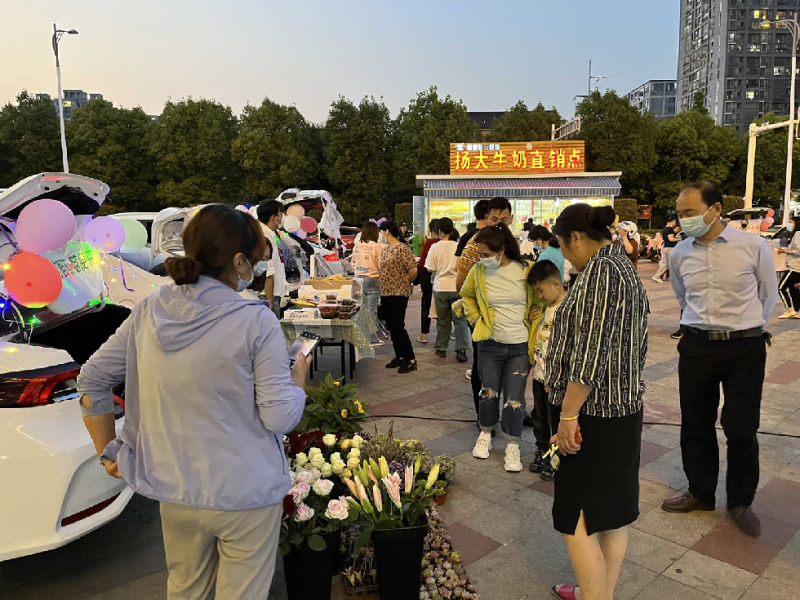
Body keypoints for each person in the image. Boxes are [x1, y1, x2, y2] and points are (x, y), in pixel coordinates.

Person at [77, 205, 309, 599]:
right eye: (253, 260)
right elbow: (280, 416)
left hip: (176, 489)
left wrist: (107, 454)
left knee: (185, 591)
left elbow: (91, 379)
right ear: (238, 261)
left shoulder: (149, 311)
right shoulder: (256, 320)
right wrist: (298, 381)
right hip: (245, 492)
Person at [662, 182, 778, 538]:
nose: (683, 220)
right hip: (697, 346)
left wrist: (749, 329)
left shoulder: (753, 246)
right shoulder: (680, 252)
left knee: (741, 427)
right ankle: (701, 492)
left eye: (690, 212)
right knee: (695, 423)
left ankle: (740, 502)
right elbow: (682, 295)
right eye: (680, 214)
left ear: (714, 210)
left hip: (744, 347)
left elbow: (767, 295)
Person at [544, 204, 648, 600]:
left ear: (575, 238)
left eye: (562, 245)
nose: (563, 254)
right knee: (611, 516)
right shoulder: (617, 263)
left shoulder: (603, 272)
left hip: (595, 414)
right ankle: (597, 592)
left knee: (577, 516)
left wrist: (568, 416)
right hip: (619, 408)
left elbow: (589, 356)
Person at [461, 223, 541, 472]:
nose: (482, 259)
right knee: (488, 394)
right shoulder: (479, 271)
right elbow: (466, 295)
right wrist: (476, 320)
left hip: (519, 346)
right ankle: (485, 433)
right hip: (490, 344)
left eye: (486, 254)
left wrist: (537, 314)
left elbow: (544, 296)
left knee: (515, 400)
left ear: (502, 249)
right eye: (480, 255)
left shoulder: (527, 269)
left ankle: (513, 445)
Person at [456, 197, 513, 428]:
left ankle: (510, 412)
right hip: (482, 318)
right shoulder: (474, 244)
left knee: (510, 364)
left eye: (504, 220)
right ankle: (485, 417)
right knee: (483, 365)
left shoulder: (513, 244)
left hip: (510, 317)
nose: (499, 224)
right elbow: (460, 285)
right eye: (494, 219)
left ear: (511, 219)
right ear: (485, 219)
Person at [526, 259, 566, 481]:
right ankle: (542, 451)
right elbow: (536, 338)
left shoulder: (567, 310)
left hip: (557, 379)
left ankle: (557, 458)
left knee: (556, 419)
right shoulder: (542, 309)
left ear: (556, 284)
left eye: (541, 290)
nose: (539, 296)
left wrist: (557, 378)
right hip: (539, 375)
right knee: (539, 416)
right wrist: (532, 321)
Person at [426, 218, 470, 361]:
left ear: (438, 231)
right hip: (457, 286)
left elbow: (430, 268)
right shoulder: (459, 246)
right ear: (452, 230)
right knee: (460, 320)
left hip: (440, 287)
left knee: (443, 320)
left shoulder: (435, 247)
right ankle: (461, 349)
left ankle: (441, 348)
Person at [379, 220, 418, 373]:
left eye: (382, 231)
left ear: (387, 231)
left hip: (399, 293)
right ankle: (400, 356)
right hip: (386, 292)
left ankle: (411, 358)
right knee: (391, 326)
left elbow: (413, 270)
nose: (381, 234)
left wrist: (404, 282)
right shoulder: (386, 249)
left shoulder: (403, 249)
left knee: (398, 326)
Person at [352, 220, 384, 340]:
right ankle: (372, 337)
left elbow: (353, 263)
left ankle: (360, 335)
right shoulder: (376, 246)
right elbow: (380, 264)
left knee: (359, 309)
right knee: (372, 310)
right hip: (372, 279)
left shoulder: (357, 245)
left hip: (357, 279)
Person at [257, 200, 287, 319]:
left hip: (273, 293)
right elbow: (269, 273)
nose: (282, 217)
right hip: (268, 295)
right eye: (281, 214)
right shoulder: (264, 237)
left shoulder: (270, 234)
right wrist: (269, 303)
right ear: (274, 218)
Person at [416, 219, 441, 344]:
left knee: (426, 304)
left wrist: (420, 275)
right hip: (442, 278)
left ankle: (424, 335)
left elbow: (422, 263)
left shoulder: (430, 243)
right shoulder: (451, 243)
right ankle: (442, 335)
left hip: (428, 277)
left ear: (432, 231)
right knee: (442, 307)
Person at [777, 216, 800, 318]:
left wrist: (785, 251)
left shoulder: (798, 234)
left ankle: (789, 309)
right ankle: (795, 310)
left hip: (794, 267)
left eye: (791, 222)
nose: (789, 225)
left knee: (781, 288)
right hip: (795, 266)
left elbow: (798, 251)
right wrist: (785, 249)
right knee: (793, 289)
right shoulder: (796, 234)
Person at [652, 216, 681, 283]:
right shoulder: (669, 229)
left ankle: (657, 276)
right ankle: (657, 276)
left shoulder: (665, 229)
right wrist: (679, 239)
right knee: (670, 264)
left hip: (666, 248)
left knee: (666, 264)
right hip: (670, 248)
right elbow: (671, 239)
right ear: (673, 221)